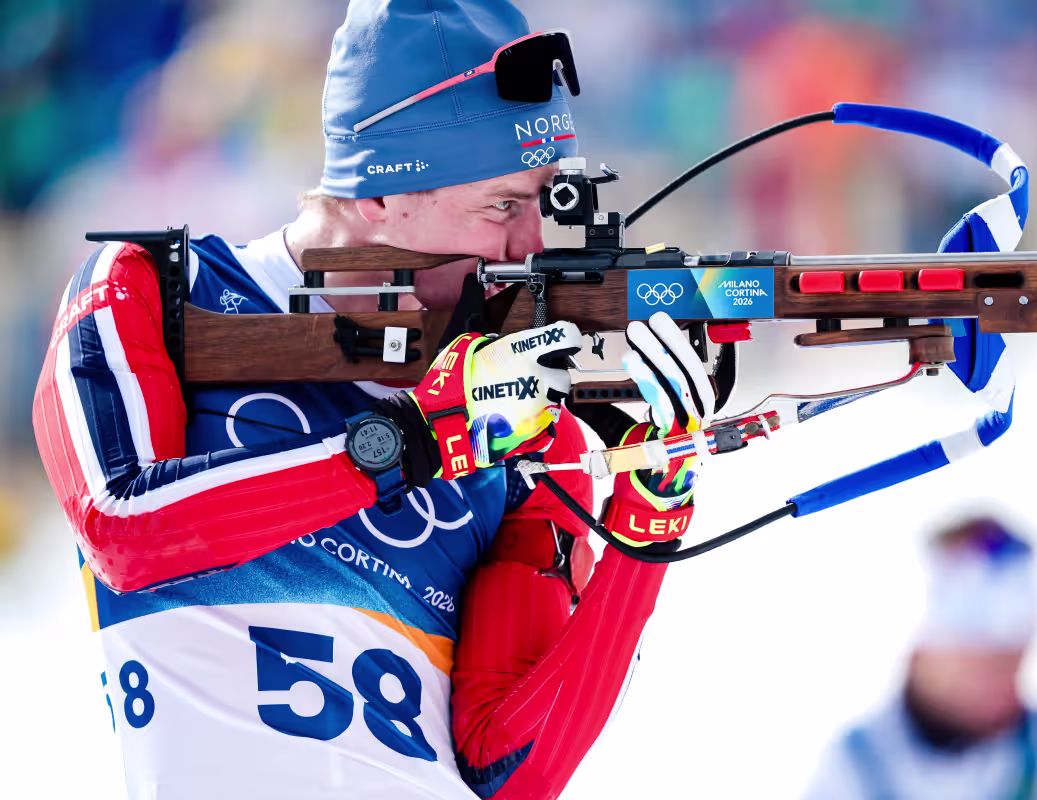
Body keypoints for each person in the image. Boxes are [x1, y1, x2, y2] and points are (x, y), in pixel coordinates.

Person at [31, 3, 713, 799]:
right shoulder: (157, 292)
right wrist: (408, 443)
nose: (533, 246)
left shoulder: (528, 419)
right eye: (503, 205)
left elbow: (512, 770)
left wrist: (651, 511)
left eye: (545, 201)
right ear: (378, 194)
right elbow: (128, 531)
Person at [803, 517, 1037, 800]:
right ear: (919, 653)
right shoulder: (854, 766)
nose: (1002, 683)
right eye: (978, 662)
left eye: (1011, 660)